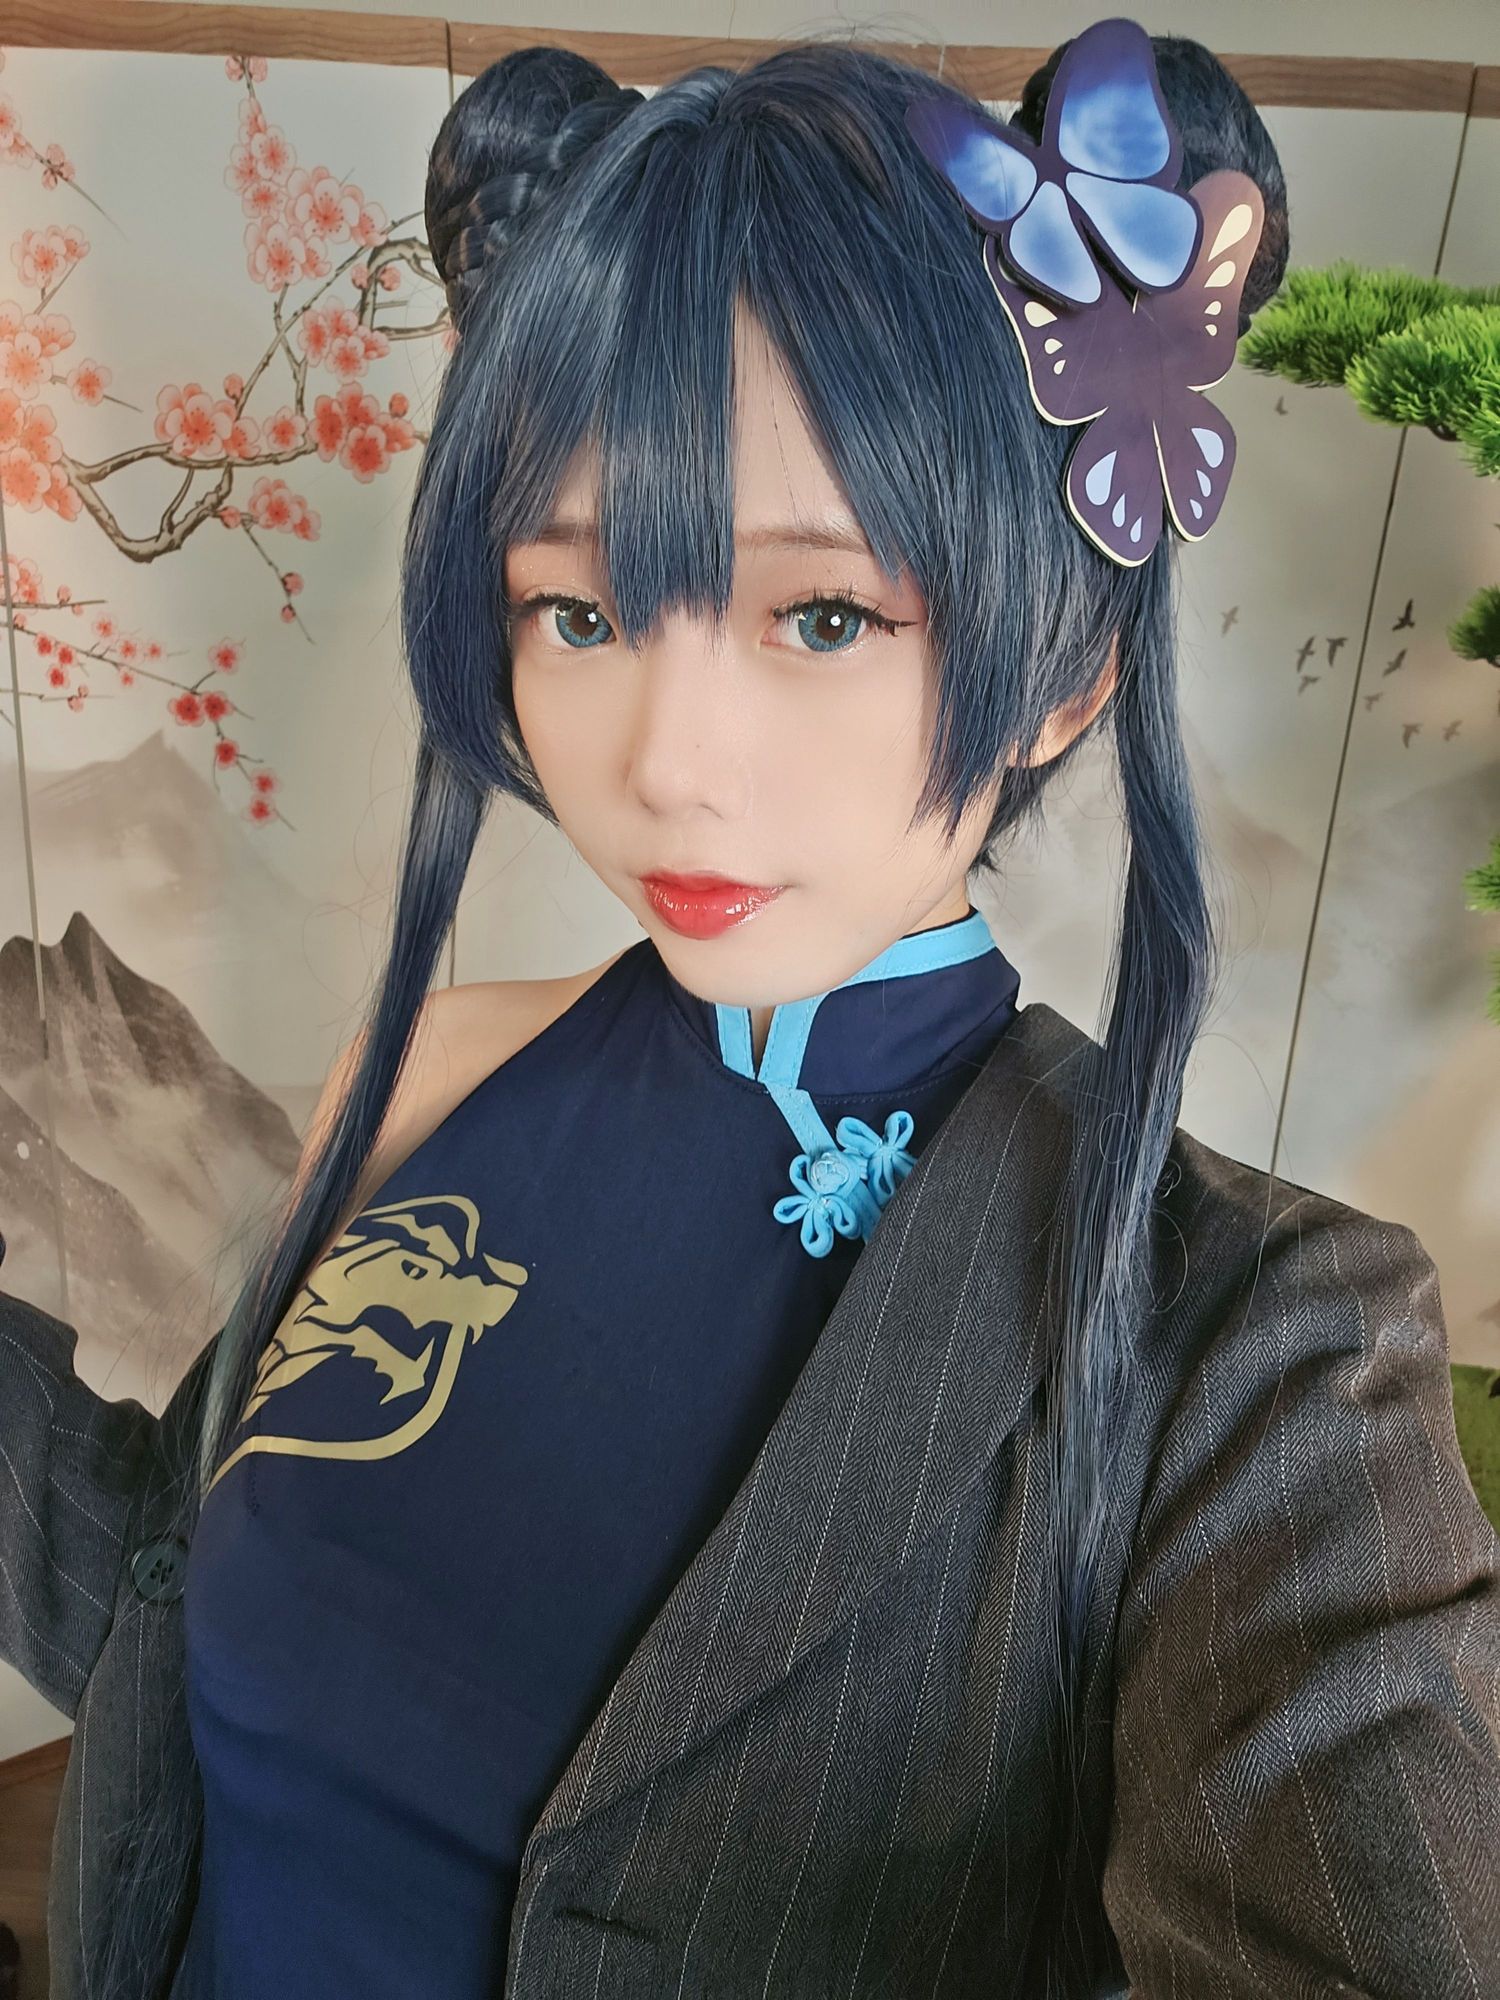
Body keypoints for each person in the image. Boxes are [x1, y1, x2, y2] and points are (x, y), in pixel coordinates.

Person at [2, 22, 1497, 2000]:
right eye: (582, 610)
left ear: (1067, 675)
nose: (667, 763)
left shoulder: (1255, 1346)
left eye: (824, 615)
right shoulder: (433, 1069)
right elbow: (172, 1595)